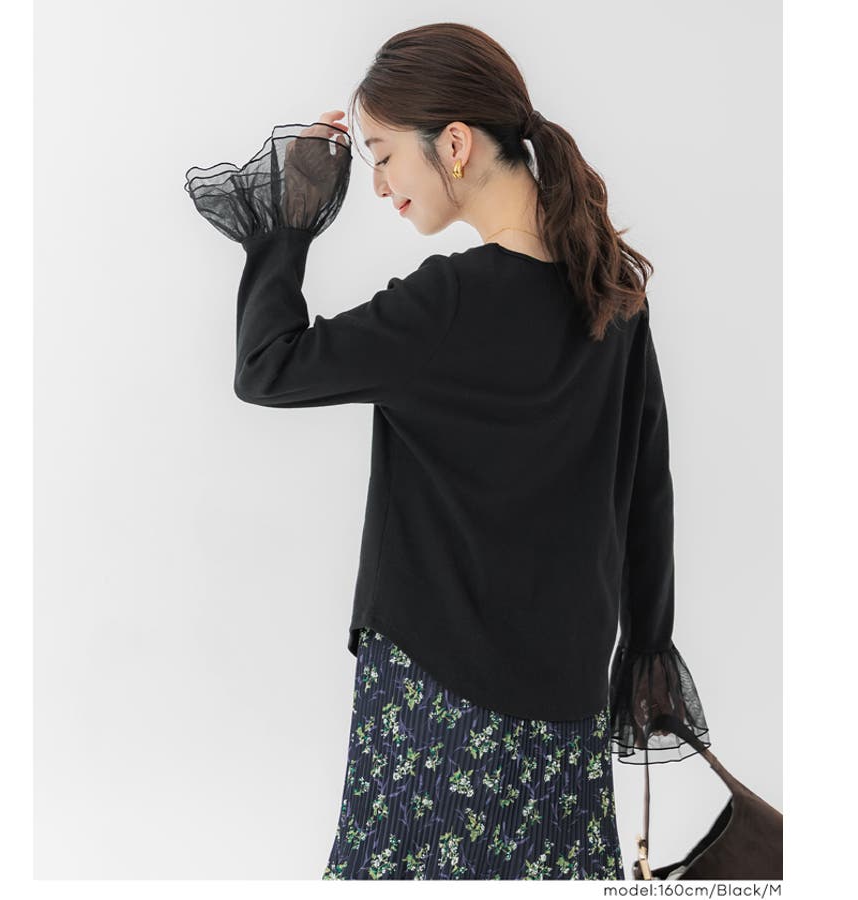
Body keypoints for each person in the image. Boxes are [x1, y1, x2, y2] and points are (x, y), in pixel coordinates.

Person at [184, 21, 711, 882]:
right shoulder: (615, 292)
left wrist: (291, 218)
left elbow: (267, 367)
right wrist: (646, 646)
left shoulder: (450, 304)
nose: (378, 185)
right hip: (568, 702)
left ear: (455, 144)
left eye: (383, 155)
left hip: (433, 704)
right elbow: (648, 490)